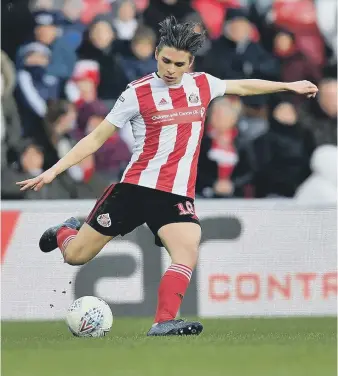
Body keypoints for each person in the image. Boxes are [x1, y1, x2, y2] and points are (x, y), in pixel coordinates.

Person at [17, 16, 318, 336]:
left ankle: (163, 321)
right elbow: (96, 138)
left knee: (188, 247)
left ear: (190, 63)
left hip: (175, 193)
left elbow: (243, 86)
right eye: (165, 60)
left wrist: (288, 85)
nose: (171, 69)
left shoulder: (202, 84)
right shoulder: (136, 92)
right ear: (156, 54)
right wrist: (52, 171)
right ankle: (65, 230)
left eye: (179, 64)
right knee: (76, 256)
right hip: (134, 188)